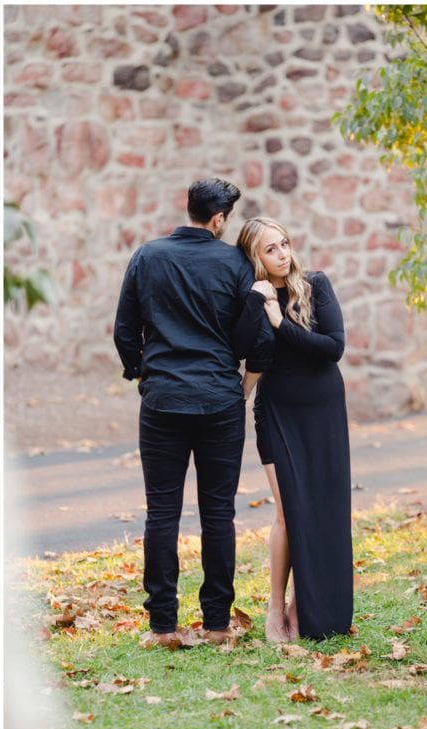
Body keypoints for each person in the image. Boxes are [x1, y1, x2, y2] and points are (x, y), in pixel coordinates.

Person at [113, 177, 269, 647]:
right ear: (219, 219)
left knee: (161, 512)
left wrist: (142, 375)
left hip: (162, 400)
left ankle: (162, 626)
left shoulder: (147, 256)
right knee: (218, 514)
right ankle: (218, 625)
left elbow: (125, 329)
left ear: (191, 209)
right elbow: (254, 338)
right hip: (220, 400)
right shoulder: (236, 264)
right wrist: (241, 384)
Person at [235, 216, 353, 641]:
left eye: (284, 243)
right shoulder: (249, 296)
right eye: (270, 249)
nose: (283, 254)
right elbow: (241, 349)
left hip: (323, 411)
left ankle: (303, 608)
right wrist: (256, 304)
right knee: (288, 512)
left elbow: (333, 348)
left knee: (322, 509)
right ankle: (274, 607)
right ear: (255, 257)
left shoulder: (315, 286)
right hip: (277, 411)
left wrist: (281, 323)